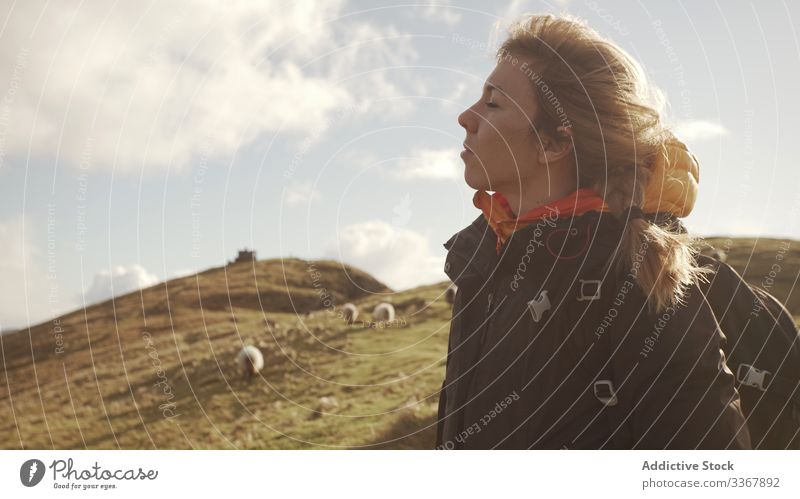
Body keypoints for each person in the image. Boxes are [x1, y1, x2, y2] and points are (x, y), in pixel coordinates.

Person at [435, 14, 751, 449]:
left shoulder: (639, 277)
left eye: (493, 104)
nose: (465, 117)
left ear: (555, 144)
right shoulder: (483, 263)